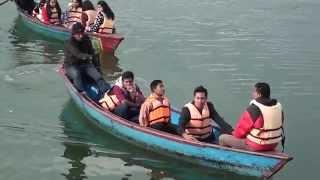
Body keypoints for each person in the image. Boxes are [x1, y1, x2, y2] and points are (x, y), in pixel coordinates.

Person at [219, 82, 285, 151]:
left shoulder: (254, 109)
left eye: (254, 92)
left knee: (222, 138)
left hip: (257, 145)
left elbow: (239, 133)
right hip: (274, 143)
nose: (252, 94)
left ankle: (228, 157)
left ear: (259, 94)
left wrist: (233, 133)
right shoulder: (278, 107)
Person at [64, 22, 110, 95]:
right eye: (78, 34)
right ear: (73, 34)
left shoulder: (86, 39)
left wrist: (97, 67)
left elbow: (92, 52)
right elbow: (78, 54)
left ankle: (107, 91)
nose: (80, 36)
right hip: (71, 65)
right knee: (76, 74)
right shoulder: (69, 42)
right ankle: (81, 92)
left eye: (81, 33)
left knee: (98, 76)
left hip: (85, 64)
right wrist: (90, 56)